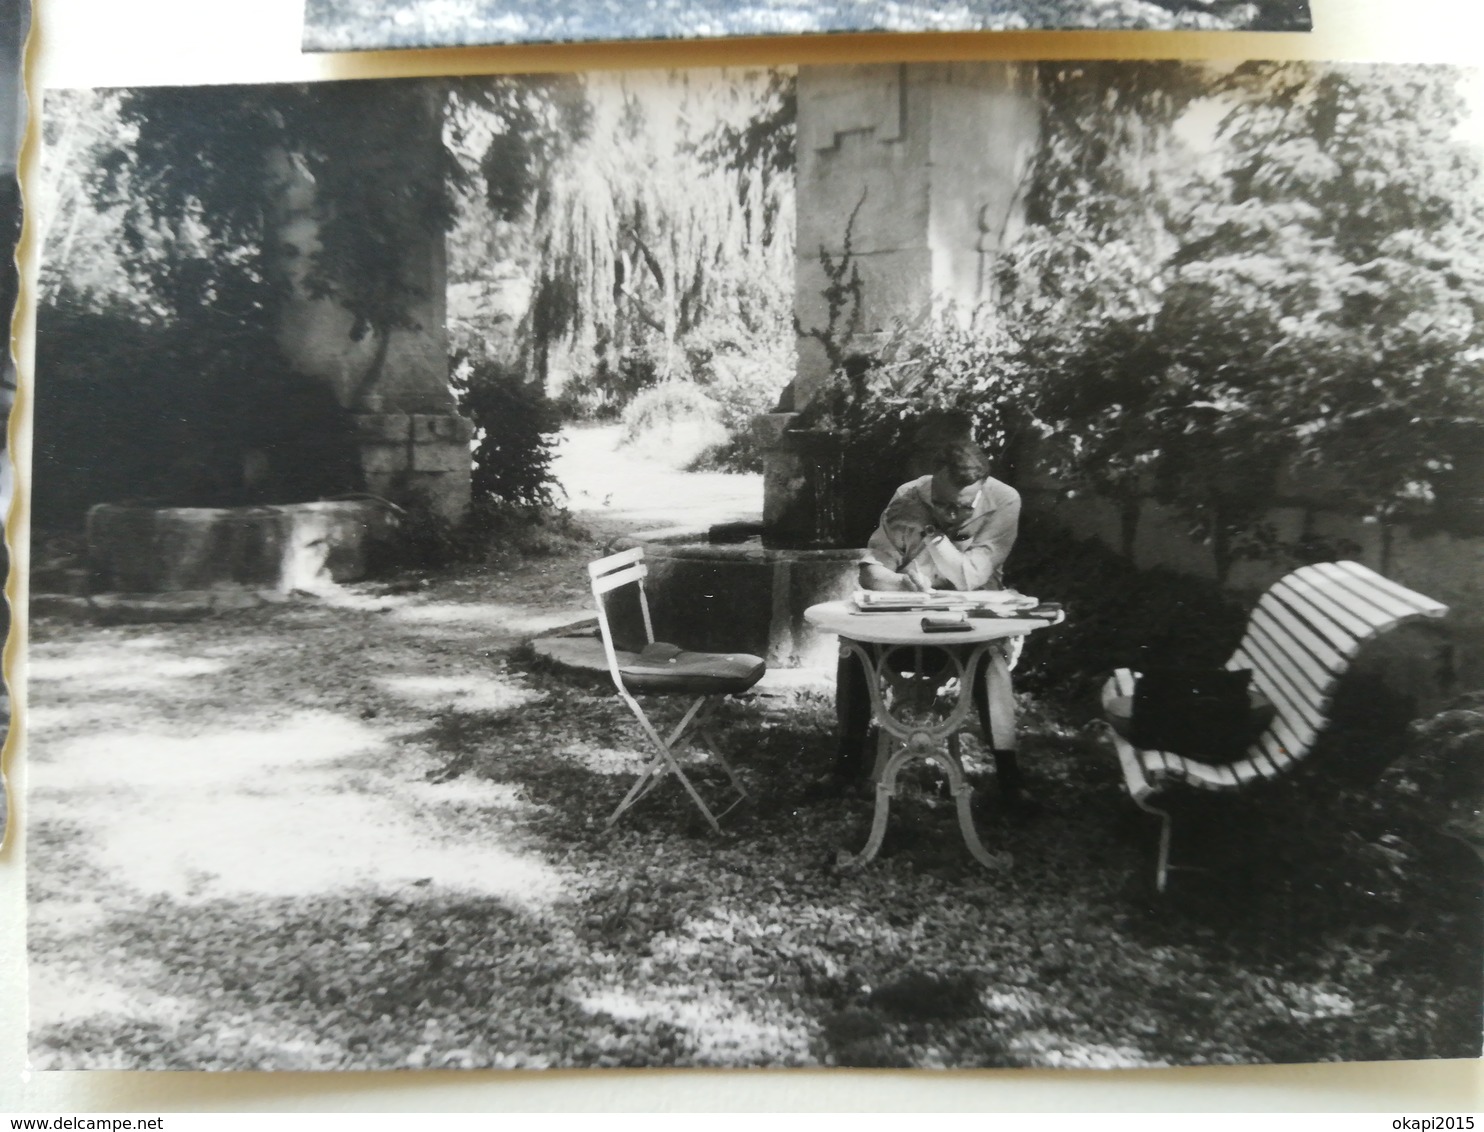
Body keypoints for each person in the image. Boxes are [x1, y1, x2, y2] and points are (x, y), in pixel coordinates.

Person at [827, 414, 1036, 812]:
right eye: (938, 503)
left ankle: (1011, 780)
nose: (948, 513)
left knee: (991, 660)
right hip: (905, 626)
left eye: (960, 508)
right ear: (931, 482)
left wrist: (930, 532)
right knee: (853, 647)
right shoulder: (909, 494)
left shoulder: (1004, 500)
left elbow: (970, 577)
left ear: (981, 491)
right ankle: (844, 766)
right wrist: (903, 584)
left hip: (967, 631)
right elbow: (871, 572)